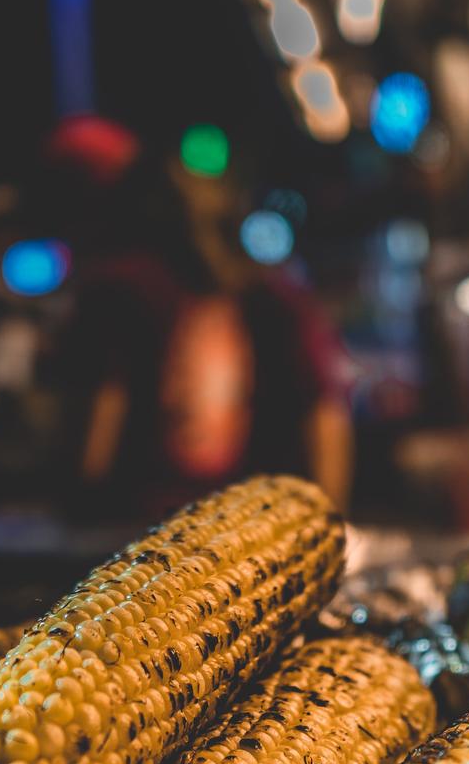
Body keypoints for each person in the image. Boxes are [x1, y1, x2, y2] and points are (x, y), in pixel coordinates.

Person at [58, 122, 355, 518]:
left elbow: (96, 435)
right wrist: (327, 523)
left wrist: (75, 510)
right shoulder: (279, 297)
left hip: (139, 527)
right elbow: (325, 415)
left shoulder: (121, 289)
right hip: (249, 526)